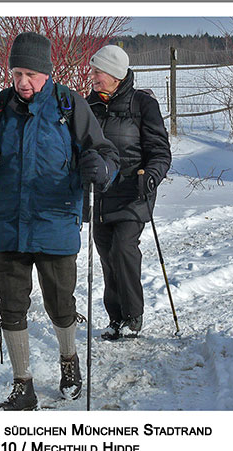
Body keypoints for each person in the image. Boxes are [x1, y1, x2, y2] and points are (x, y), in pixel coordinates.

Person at [0, 32, 121, 410]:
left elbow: (106, 154)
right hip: (8, 226)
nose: (22, 82)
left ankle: (69, 362)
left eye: (30, 74)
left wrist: (99, 167)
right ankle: (22, 385)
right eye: (16, 73)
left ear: (46, 73)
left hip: (55, 224)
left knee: (60, 304)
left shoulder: (69, 105)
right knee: (11, 306)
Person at [86, 45, 172, 341]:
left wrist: (151, 176)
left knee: (123, 248)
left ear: (114, 75)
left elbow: (160, 151)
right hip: (101, 193)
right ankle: (115, 317)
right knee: (107, 255)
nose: (93, 76)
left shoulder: (142, 105)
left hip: (133, 190)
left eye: (97, 71)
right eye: (93, 70)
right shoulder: (90, 106)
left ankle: (133, 316)